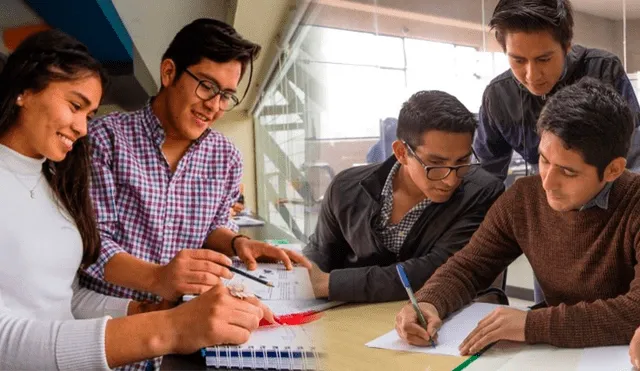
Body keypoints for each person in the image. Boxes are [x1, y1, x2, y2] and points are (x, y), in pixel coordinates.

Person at [0, 29, 274, 371]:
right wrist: (166, 326)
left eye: (89, 114)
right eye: (75, 105)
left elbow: (64, 298)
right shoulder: (102, 143)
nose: (84, 128)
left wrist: (150, 312)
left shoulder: (53, 179)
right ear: (24, 89)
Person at [395, 78, 640, 354]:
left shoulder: (635, 203)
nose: (547, 183)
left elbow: (635, 311)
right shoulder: (524, 198)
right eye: (544, 160)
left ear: (613, 170)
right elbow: (471, 265)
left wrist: (532, 324)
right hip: (553, 354)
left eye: (568, 172)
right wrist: (429, 302)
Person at [473, 0, 640, 303]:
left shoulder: (603, 69)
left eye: (544, 59)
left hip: (610, 217)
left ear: (566, 46)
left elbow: (632, 155)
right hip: (552, 217)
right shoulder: (498, 96)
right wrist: (488, 284)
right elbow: (486, 179)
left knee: (616, 311)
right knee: (550, 306)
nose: (532, 74)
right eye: (518, 60)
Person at [303, 91, 504, 303]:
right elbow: (320, 252)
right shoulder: (346, 188)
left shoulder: (483, 192)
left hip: (442, 317)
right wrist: (300, 271)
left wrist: (328, 284)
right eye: (435, 164)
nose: (451, 180)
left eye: (463, 161)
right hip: (353, 317)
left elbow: (439, 270)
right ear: (401, 152)